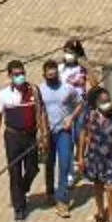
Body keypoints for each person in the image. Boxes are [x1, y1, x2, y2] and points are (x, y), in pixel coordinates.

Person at [0, 60, 44, 222]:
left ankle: (22, 188)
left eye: (22, 73)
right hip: (13, 137)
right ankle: (19, 208)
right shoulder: (3, 95)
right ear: (9, 76)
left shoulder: (33, 90)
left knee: (33, 168)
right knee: (14, 172)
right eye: (16, 74)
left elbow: (40, 113)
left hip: (30, 135)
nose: (20, 77)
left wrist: (43, 133)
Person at [37, 58, 83, 208]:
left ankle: (62, 199)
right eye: (49, 76)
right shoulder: (40, 90)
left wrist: (71, 118)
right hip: (47, 133)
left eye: (55, 75)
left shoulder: (67, 88)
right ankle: (50, 192)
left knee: (64, 163)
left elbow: (80, 104)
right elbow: (36, 111)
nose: (53, 78)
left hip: (64, 131)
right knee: (49, 163)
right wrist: (41, 131)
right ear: (44, 75)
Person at [80, 87, 112, 222]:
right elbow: (83, 135)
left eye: (108, 100)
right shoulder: (90, 116)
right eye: (103, 101)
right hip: (94, 157)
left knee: (111, 188)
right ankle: (101, 212)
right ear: (96, 103)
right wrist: (80, 157)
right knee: (98, 186)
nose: (107, 103)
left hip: (111, 158)